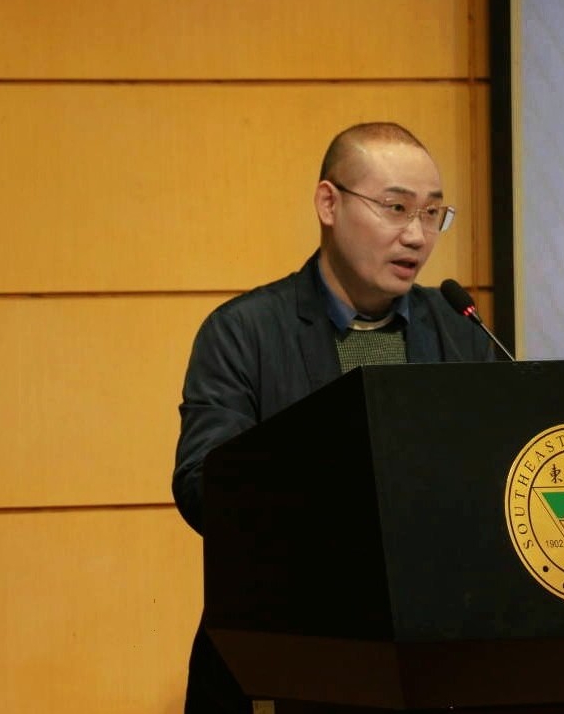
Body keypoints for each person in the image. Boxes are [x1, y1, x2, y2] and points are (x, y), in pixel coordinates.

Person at [171, 121, 497, 713]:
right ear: (329, 203)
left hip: (433, 655)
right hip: (289, 651)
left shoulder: (460, 329)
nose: (417, 236)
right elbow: (202, 486)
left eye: (432, 214)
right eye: (396, 208)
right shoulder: (244, 332)